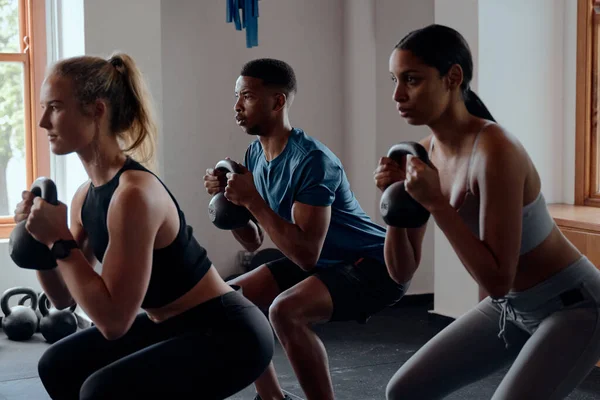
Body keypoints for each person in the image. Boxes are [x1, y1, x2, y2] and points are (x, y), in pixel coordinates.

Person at [14, 53, 274, 400]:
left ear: (97, 110)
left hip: (229, 332)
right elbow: (63, 296)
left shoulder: (134, 194)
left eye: (56, 107)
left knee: (102, 391)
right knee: (58, 365)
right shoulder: (83, 197)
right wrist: (42, 242)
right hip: (170, 325)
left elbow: (114, 321)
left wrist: (59, 239)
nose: (43, 121)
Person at [376, 24, 600, 400]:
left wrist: (435, 203)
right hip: (508, 308)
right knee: (404, 391)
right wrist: (395, 203)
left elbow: (497, 278)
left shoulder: (496, 151)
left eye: (411, 80)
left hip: (574, 306)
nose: (398, 94)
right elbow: (401, 273)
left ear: (453, 77)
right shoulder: (423, 152)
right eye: (394, 80)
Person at [203, 58, 410, 400]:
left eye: (248, 97)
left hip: (375, 265)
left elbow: (304, 254)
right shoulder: (255, 155)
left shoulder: (312, 160)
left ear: (278, 100)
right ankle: (272, 398)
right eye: (237, 97)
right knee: (227, 302)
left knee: (286, 311)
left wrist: (252, 200)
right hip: (324, 261)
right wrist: (233, 207)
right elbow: (254, 241)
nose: (238, 106)